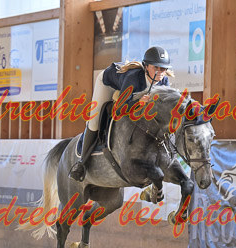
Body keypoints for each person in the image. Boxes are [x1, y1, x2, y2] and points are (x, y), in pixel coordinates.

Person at [69, 46, 174, 182]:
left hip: (129, 90)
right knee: (94, 122)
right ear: (146, 66)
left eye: (163, 69)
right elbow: (119, 109)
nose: (160, 72)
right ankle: (81, 163)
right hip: (108, 84)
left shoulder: (164, 82)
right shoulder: (133, 78)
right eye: (156, 67)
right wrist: (138, 103)